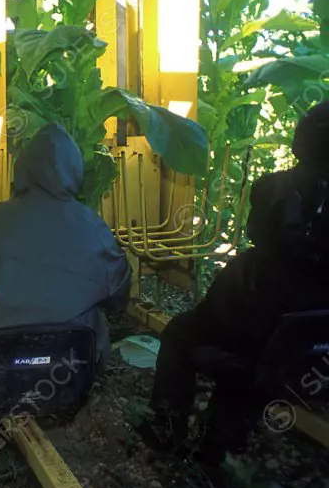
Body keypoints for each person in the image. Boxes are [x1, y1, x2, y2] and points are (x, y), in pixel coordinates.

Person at [140, 101, 329, 466]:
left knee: (186, 333)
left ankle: (168, 431)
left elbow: (221, 314)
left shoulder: (272, 193)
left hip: (264, 348)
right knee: (253, 347)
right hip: (311, 355)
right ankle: (219, 441)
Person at [0, 123, 131, 408]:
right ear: (75, 171)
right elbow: (119, 296)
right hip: (69, 368)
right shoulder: (94, 228)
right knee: (98, 322)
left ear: (21, 170)